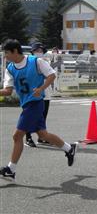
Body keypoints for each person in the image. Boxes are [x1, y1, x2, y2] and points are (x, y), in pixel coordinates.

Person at [0, 39, 77, 182]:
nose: (5, 56)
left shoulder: (35, 62)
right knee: (43, 134)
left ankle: (11, 169)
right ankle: (69, 148)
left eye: (6, 53)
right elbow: (8, 91)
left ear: (15, 51)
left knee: (17, 136)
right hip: (26, 105)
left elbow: (52, 75)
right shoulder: (10, 68)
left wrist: (41, 88)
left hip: (35, 103)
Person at [25, 42, 52, 147]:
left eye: (41, 51)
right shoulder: (28, 63)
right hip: (34, 94)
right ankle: (28, 137)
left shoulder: (45, 62)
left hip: (46, 94)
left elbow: (51, 76)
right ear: (32, 52)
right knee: (30, 117)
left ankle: (42, 137)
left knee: (43, 117)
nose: (39, 53)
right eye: (36, 51)